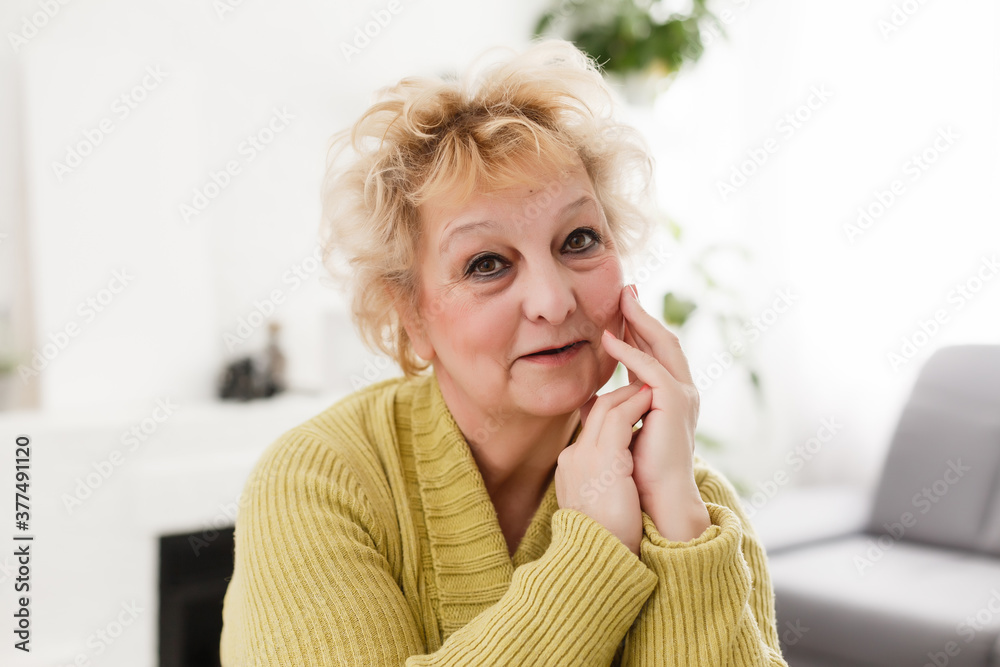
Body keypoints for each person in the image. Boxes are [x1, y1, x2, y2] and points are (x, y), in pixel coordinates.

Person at [219, 38, 788, 666]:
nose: (553, 301)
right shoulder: (316, 481)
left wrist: (677, 522)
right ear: (411, 314)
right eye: (486, 263)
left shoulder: (691, 496)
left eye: (579, 239)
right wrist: (593, 555)